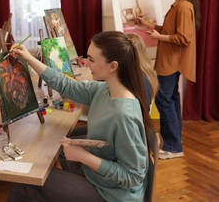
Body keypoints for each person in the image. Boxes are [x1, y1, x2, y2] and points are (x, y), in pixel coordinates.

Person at [8, 31, 153, 202]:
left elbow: (132, 176)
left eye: (91, 60)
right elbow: (66, 85)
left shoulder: (124, 114)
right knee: (41, 165)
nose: (85, 63)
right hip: (98, 178)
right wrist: (30, 60)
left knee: (25, 182)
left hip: (111, 195)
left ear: (113, 66)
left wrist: (83, 156)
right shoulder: (104, 90)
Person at [138, 0, 200, 160]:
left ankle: (173, 147)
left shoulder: (183, 7)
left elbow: (183, 38)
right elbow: (170, 31)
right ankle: (175, 144)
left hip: (171, 63)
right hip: (169, 61)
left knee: (164, 100)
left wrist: (159, 36)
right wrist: (150, 25)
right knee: (170, 100)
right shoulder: (179, 7)